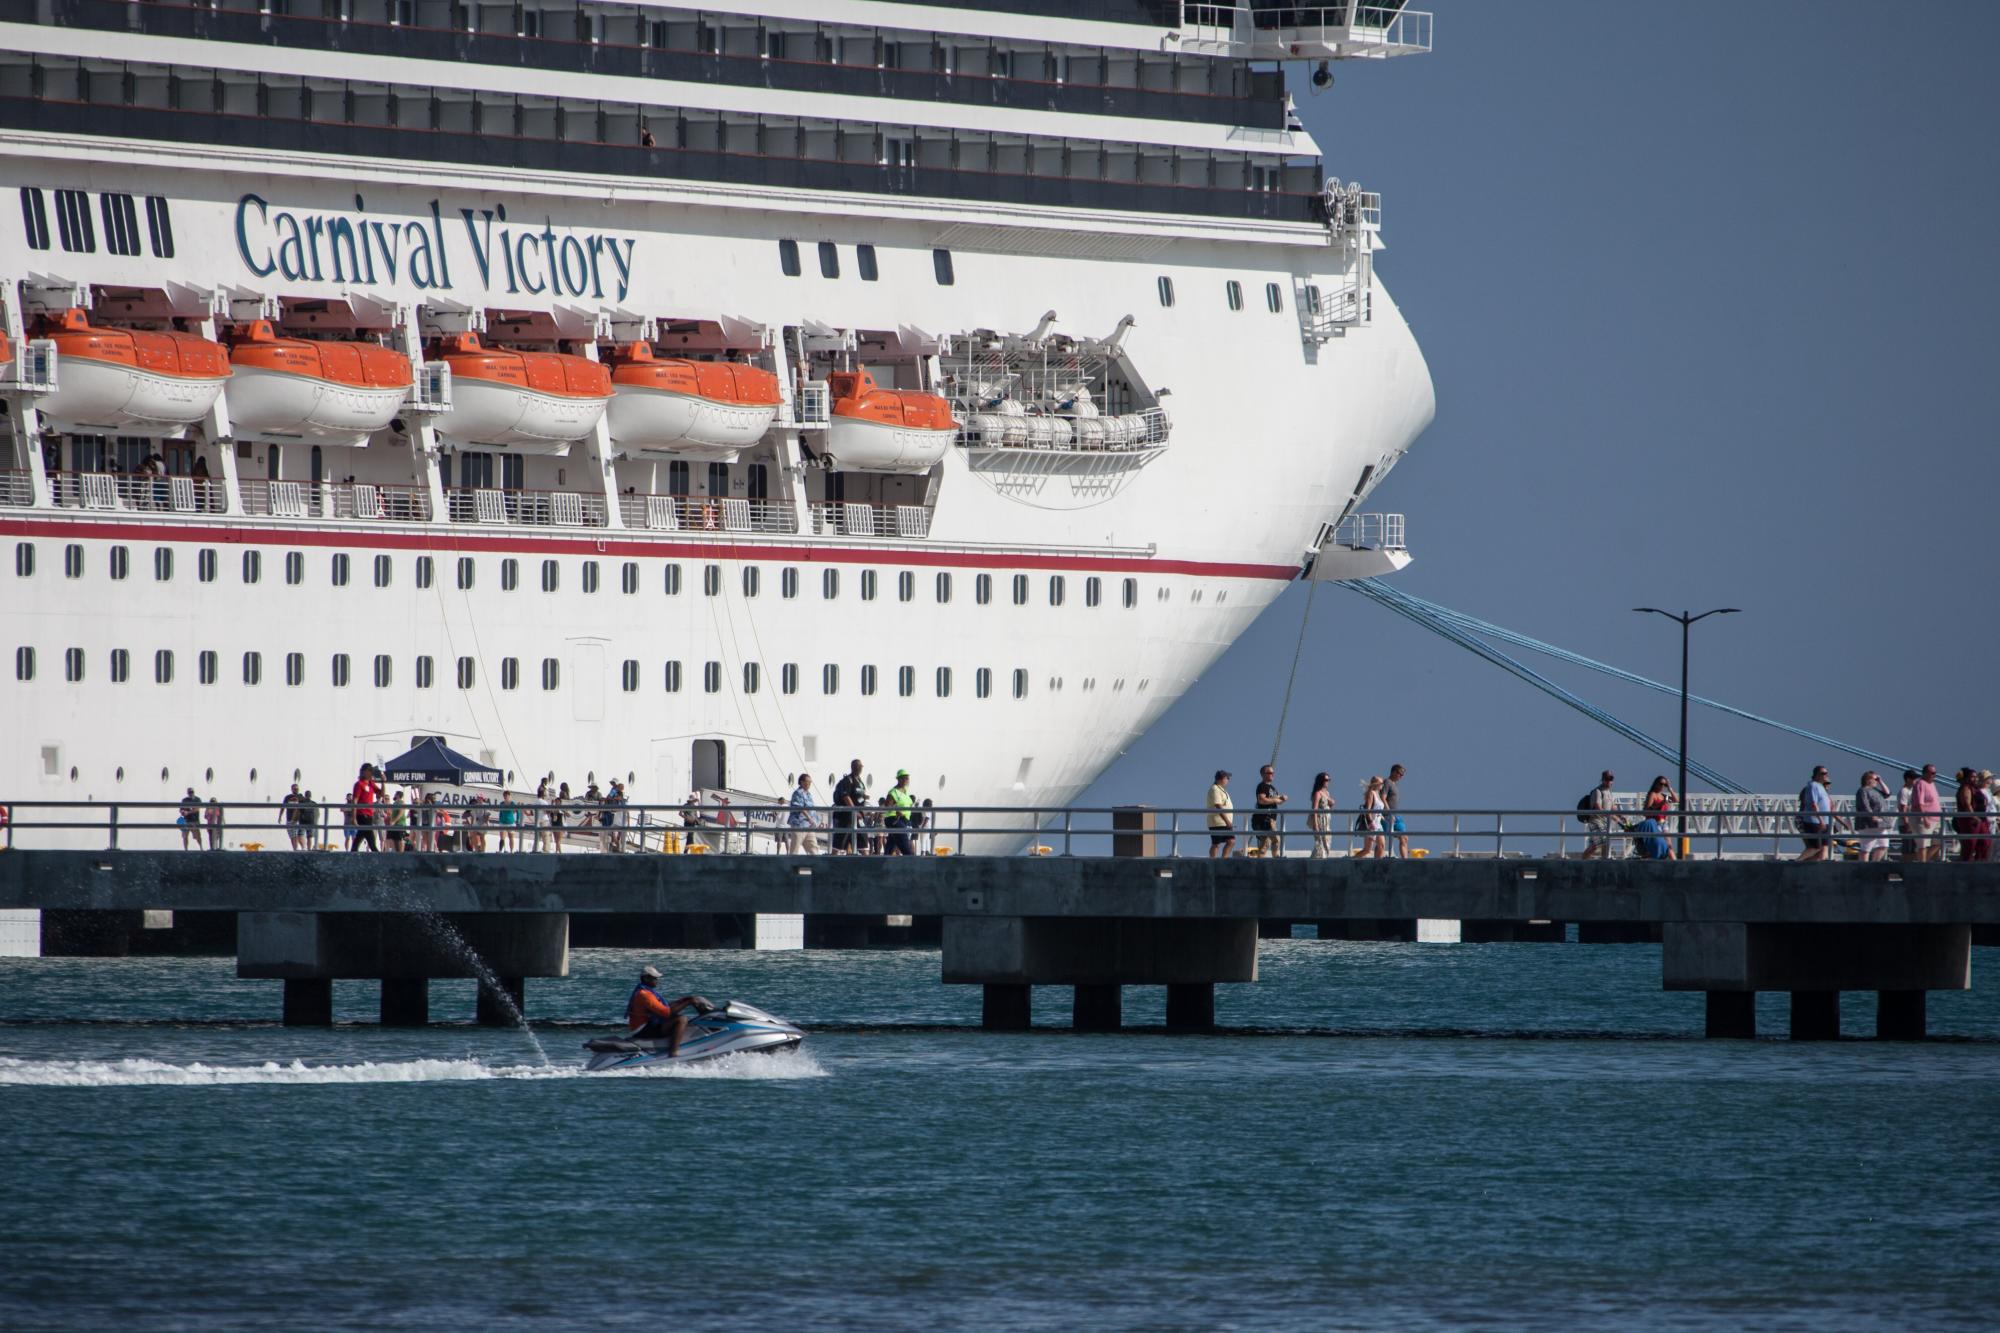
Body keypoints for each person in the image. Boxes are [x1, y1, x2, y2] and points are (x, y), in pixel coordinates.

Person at [626, 964, 694, 1057]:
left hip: (646, 1025)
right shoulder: (645, 995)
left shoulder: (645, 991)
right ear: (646, 979)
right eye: (654, 978)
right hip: (642, 1030)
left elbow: (663, 1007)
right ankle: (673, 1052)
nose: (657, 980)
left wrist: (683, 1000)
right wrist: (689, 1002)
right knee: (682, 1019)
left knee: (678, 1017)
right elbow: (666, 1013)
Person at [1796, 765, 1833, 862]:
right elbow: (1813, 804)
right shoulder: (1812, 786)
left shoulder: (1821, 788)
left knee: (1822, 848)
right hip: (1814, 821)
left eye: (1826, 773)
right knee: (1815, 846)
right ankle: (1797, 862)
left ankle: (1809, 864)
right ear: (1817, 775)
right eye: (1823, 773)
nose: (1826, 775)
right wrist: (1821, 820)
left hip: (1824, 821)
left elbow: (1830, 808)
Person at [1954, 767, 1991, 864]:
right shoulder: (1966, 788)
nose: (1975, 779)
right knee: (1970, 844)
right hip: (1971, 820)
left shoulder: (1975, 788)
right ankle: (1967, 864)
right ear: (1966, 778)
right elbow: (1967, 804)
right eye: (1972, 777)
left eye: (1975, 777)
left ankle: (1980, 862)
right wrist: (1974, 817)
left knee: (1985, 843)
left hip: (1981, 819)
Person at [1854, 771, 1892, 862]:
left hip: (1881, 823)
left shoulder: (1876, 790)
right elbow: (1864, 804)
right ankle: (1864, 868)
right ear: (1868, 780)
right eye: (1875, 779)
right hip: (1868, 823)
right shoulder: (1863, 790)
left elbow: (1887, 794)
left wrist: (1880, 781)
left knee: (1884, 845)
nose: (1876, 781)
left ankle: (1874, 864)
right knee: (1866, 848)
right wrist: (1871, 816)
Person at [1580, 770, 1618, 860]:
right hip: (1596, 820)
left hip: (1605, 822)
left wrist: (1620, 818)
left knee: (1596, 845)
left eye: (1611, 779)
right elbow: (1598, 807)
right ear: (1602, 779)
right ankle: (1601, 861)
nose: (1609, 781)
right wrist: (1611, 816)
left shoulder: (1609, 793)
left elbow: (1612, 808)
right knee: (1603, 842)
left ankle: (1586, 860)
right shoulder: (1598, 791)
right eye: (1607, 779)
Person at [1909, 764, 1943, 862]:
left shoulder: (1932, 784)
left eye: (1935, 773)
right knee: (1923, 845)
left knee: (1938, 842)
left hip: (1936, 819)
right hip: (1924, 819)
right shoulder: (1920, 783)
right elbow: (1920, 804)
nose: (1934, 775)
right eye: (1932, 773)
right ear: (1925, 773)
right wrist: (1925, 819)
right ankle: (1921, 865)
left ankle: (1923, 863)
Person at [832, 759, 866, 855]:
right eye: (858, 766)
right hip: (847, 817)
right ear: (853, 767)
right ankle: (831, 863)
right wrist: (854, 811)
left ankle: (869, 866)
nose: (860, 768)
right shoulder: (847, 780)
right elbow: (846, 796)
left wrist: (864, 798)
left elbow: (858, 795)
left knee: (863, 842)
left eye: (861, 767)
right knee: (839, 843)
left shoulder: (859, 780)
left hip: (859, 816)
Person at [1252, 764, 1286, 857]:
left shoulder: (1273, 788)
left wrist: (1282, 798)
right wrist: (1276, 799)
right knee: (1271, 840)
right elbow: (1261, 800)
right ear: (1263, 774)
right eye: (1269, 773)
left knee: (1269, 841)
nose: (1272, 774)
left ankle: (1271, 858)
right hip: (1263, 819)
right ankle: (1274, 858)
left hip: (1271, 819)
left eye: (1273, 773)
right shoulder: (1262, 786)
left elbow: (1277, 802)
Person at [884, 770, 917, 856]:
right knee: (907, 848)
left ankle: (882, 865)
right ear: (899, 779)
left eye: (907, 778)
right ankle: (913, 864)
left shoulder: (905, 791)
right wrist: (896, 811)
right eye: (905, 778)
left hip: (904, 820)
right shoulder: (894, 792)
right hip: (895, 819)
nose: (907, 780)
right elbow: (887, 805)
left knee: (890, 847)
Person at [787, 773, 820, 854]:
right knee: (795, 849)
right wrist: (809, 818)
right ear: (801, 782)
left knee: (814, 849)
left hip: (809, 827)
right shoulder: (798, 793)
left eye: (810, 782)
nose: (809, 784)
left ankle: (816, 865)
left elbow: (812, 809)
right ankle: (791, 866)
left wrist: (817, 820)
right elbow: (800, 807)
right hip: (799, 825)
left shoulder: (808, 794)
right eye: (807, 782)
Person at [349, 764, 379, 852]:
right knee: (371, 840)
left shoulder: (371, 784)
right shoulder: (359, 784)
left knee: (360, 836)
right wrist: (354, 817)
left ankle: (352, 853)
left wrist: (383, 782)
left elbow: (380, 793)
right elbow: (355, 801)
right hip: (362, 814)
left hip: (369, 815)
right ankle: (378, 856)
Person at [1206, 769, 1234, 858]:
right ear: (1221, 778)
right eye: (1227, 778)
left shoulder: (1221, 789)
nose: (1228, 780)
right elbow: (1218, 805)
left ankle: (1223, 859)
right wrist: (1227, 821)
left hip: (1223, 821)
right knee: (1217, 843)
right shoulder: (1215, 789)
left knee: (1230, 841)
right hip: (1218, 821)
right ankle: (1213, 860)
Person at [1356, 776, 1387, 858]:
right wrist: (1370, 822)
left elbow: (1378, 809)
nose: (1382, 785)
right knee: (1367, 850)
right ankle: (1350, 861)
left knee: (1381, 846)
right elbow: (1368, 809)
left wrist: (1383, 818)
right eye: (1381, 783)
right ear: (1376, 784)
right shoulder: (1371, 793)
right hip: (1372, 823)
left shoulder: (1378, 794)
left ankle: (1377, 866)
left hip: (1378, 824)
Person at [1384, 763, 1408, 858]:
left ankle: (1405, 861)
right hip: (1388, 815)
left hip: (1396, 815)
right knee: (1382, 839)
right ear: (1394, 772)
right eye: (1400, 774)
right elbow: (1383, 797)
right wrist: (1388, 812)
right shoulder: (1387, 782)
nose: (1401, 777)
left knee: (1404, 838)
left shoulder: (1394, 784)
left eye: (1402, 775)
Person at [1309, 772, 1335, 858]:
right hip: (1320, 820)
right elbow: (1314, 809)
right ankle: (1317, 859)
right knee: (1320, 842)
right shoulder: (1318, 793)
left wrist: (1331, 804)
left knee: (1327, 841)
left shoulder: (1327, 793)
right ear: (1321, 781)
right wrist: (1315, 824)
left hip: (1326, 820)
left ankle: (1323, 858)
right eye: (1326, 780)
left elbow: (1328, 808)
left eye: (1329, 780)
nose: (1328, 782)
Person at [1897, 769, 1919, 862]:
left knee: (1913, 847)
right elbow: (1903, 808)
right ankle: (1905, 865)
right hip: (1906, 824)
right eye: (1913, 779)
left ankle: (1910, 864)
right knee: (1908, 847)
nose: (1915, 781)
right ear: (1908, 779)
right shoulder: (1904, 791)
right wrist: (1907, 823)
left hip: (1912, 822)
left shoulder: (1911, 790)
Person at [281, 782, 305, 851]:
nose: (296, 790)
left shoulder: (300, 798)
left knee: (294, 836)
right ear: (292, 789)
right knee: (295, 835)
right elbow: (283, 807)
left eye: (297, 789)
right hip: (293, 819)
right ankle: (301, 849)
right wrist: (280, 816)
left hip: (294, 820)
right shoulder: (288, 797)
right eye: (295, 789)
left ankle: (296, 850)